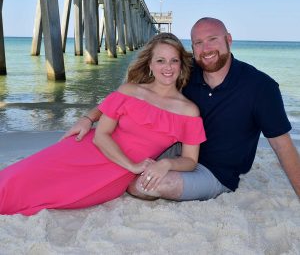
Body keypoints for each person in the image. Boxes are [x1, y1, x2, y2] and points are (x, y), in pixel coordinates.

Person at [64, 17, 300, 201]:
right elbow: (132, 93)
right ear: (192, 47)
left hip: (215, 171)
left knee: (141, 186)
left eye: (212, 39)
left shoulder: (261, 87)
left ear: (229, 39)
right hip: (172, 152)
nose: (206, 48)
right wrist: (89, 117)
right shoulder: (186, 72)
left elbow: (282, 146)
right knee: (97, 153)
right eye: (198, 42)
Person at [0, 33, 207, 216]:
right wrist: (132, 166)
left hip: (113, 175)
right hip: (88, 149)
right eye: (160, 60)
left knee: (54, 197)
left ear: (181, 65)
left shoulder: (188, 111)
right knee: (18, 177)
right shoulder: (130, 91)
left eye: (174, 61)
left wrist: (167, 164)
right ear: (150, 65)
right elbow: (101, 135)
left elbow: (189, 160)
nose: (167, 67)